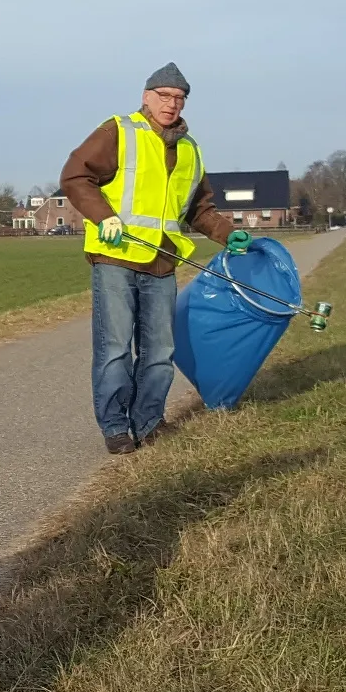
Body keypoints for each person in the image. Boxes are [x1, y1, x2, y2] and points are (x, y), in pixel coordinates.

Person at [57, 63, 243, 453]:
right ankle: (115, 427)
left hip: (162, 262)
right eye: (164, 96)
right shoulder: (118, 131)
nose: (171, 104)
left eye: (179, 98)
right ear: (146, 97)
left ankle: (149, 421)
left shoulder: (190, 149)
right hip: (115, 256)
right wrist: (102, 215)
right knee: (115, 348)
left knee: (160, 351)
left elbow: (199, 209)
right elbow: (75, 175)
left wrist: (230, 236)